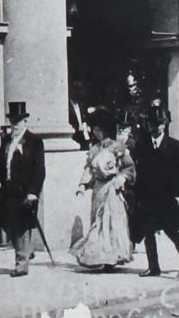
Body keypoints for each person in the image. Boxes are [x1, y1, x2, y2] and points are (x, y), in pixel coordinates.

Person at [70, 108, 135, 270]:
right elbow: (89, 169)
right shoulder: (94, 149)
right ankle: (100, 256)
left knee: (110, 222)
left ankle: (112, 257)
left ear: (105, 129)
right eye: (95, 130)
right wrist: (83, 184)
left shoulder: (117, 147)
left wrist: (122, 178)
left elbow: (129, 167)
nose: (96, 133)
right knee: (97, 221)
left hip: (112, 188)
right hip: (98, 188)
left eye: (99, 129)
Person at [0, 102, 46, 277]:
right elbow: (0, 166)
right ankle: (26, 251)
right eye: (12, 121)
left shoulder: (34, 141)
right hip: (7, 191)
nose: (14, 125)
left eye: (18, 121)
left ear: (25, 122)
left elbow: (39, 170)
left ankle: (21, 264)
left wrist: (33, 193)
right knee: (6, 224)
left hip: (24, 192)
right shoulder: (6, 141)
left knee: (21, 226)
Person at [131, 105, 179, 277]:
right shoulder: (142, 145)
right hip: (147, 197)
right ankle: (153, 267)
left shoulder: (175, 146)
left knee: (172, 230)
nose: (155, 127)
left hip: (167, 197)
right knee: (148, 232)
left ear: (165, 124)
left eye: (159, 124)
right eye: (152, 124)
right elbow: (139, 170)